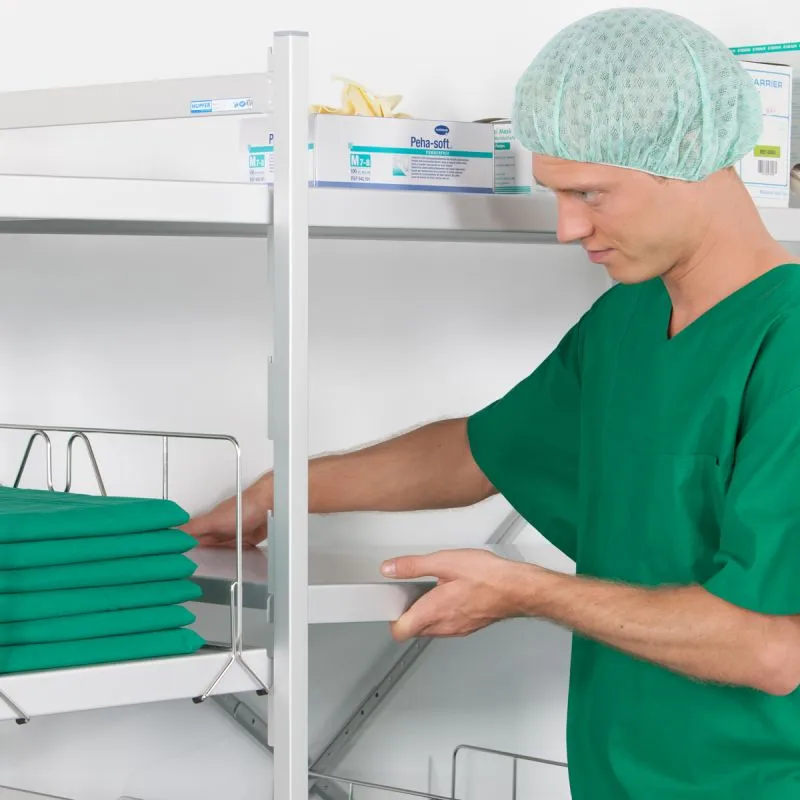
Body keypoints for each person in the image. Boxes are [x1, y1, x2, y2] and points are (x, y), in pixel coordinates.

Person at [184, 8, 800, 798]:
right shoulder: (628, 319)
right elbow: (479, 452)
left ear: (688, 154)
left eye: (591, 193)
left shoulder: (786, 342)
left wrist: (529, 592)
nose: (567, 228)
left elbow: (772, 650)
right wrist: (280, 491)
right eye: (557, 194)